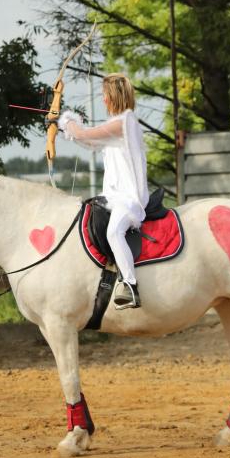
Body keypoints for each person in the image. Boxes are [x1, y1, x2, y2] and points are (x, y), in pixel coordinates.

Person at [57, 73, 148, 309]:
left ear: (114, 96)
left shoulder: (124, 123)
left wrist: (66, 120)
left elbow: (85, 135)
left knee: (113, 233)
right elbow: (88, 142)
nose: (103, 100)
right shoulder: (118, 124)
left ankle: (130, 285)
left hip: (129, 201)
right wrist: (64, 126)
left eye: (105, 95)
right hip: (115, 198)